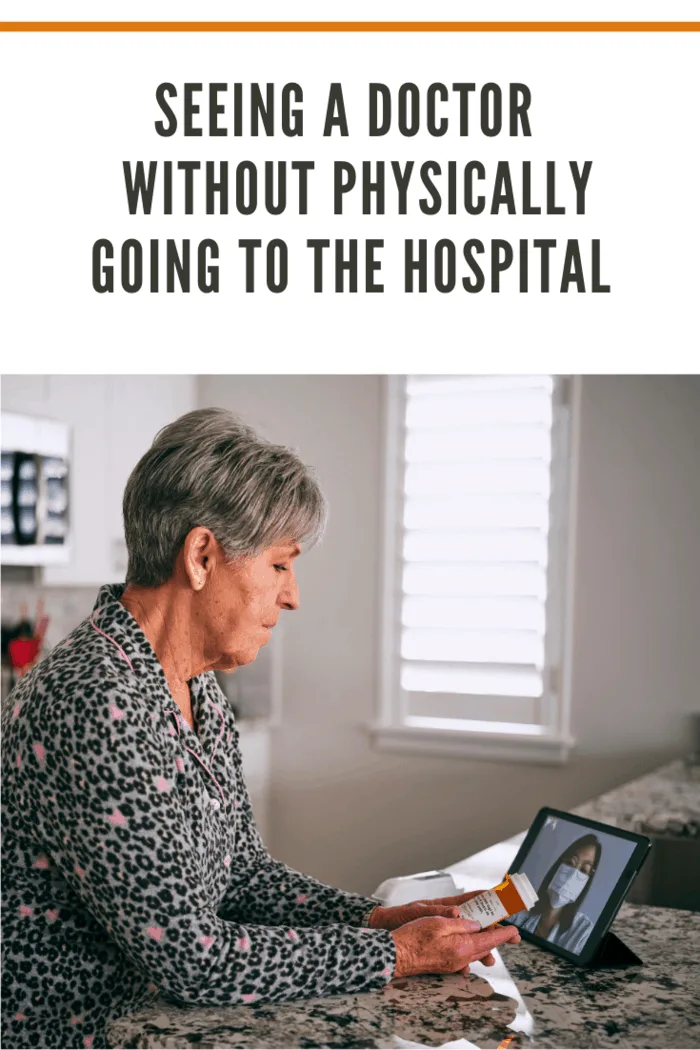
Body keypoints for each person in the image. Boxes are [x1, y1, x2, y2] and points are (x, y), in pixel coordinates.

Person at [2, 408, 520, 1050]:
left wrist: (373, 919)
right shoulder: (95, 699)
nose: (294, 594)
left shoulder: (193, 684)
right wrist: (394, 956)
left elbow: (241, 874)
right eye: (280, 565)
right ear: (201, 556)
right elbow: (191, 956)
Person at [510, 833, 602, 954]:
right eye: (570, 863)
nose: (572, 875)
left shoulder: (583, 931)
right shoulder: (519, 904)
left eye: (583, 870)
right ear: (557, 866)